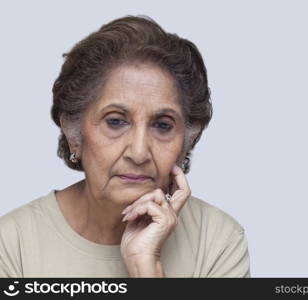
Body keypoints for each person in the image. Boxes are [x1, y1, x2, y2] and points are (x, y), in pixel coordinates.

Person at [0, 15, 250, 278]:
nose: (139, 152)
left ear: (187, 141)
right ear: (74, 134)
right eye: (116, 122)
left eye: (163, 126)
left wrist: (146, 265)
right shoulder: (11, 245)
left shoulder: (218, 242)